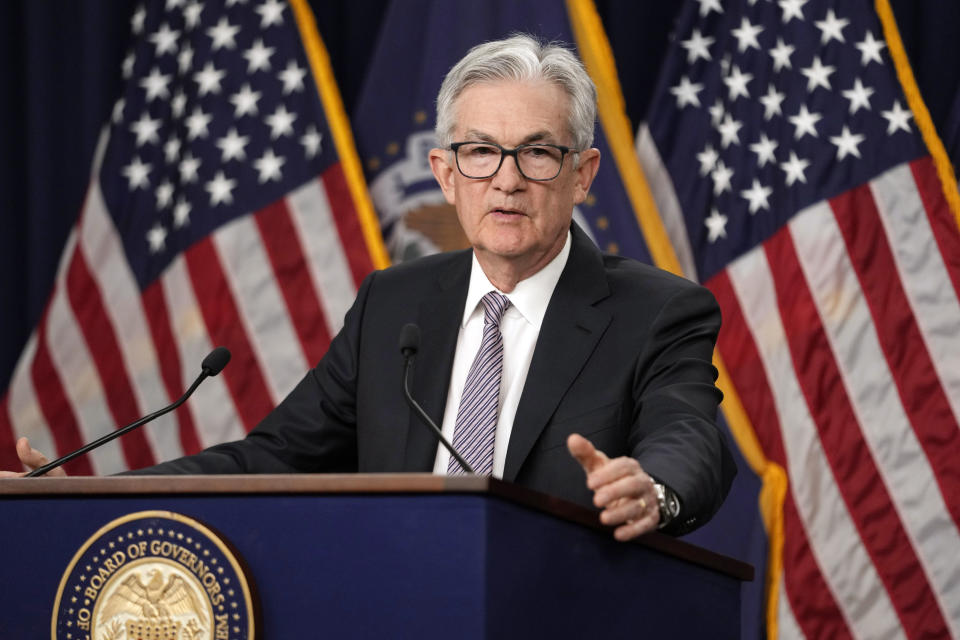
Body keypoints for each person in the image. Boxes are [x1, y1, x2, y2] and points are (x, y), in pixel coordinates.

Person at [3, 35, 735, 540]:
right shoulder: (396, 304)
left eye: (538, 153)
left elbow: (690, 437)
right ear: (446, 175)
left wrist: (654, 491)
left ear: (583, 175)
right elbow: (270, 459)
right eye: (481, 152)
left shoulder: (658, 312)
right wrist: (93, 493)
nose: (507, 180)